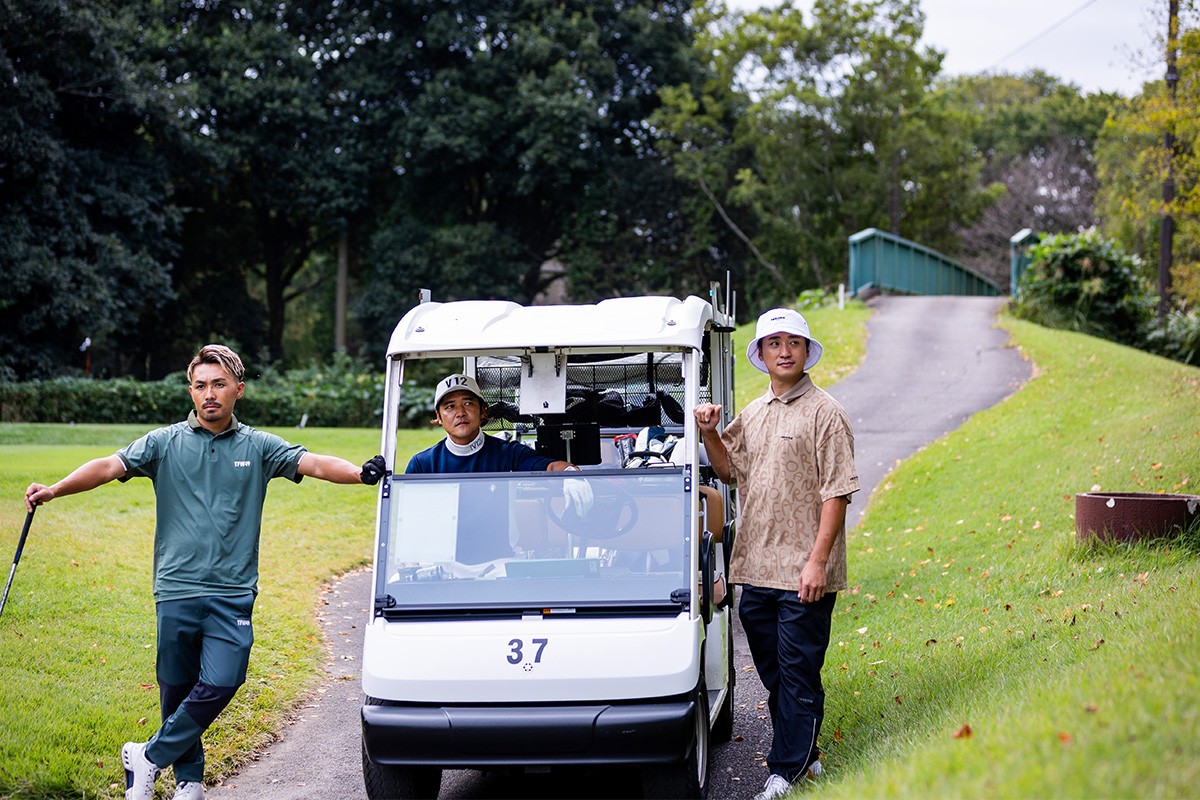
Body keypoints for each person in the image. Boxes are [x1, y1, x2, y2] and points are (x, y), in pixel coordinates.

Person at [22, 344, 387, 800]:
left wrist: (361, 473)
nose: (209, 394)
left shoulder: (258, 446)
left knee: (223, 681)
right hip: (175, 587)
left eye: (218, 384)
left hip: (232, 591)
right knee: (176, 688)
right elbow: (106, 466)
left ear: (238, 389)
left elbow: (312, 463)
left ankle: (148, 756)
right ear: (191, 391)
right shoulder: (164, 442)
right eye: (200, 386)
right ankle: (188, 782)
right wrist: (54, 490)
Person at [694, 308, 859, 800]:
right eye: (774, 343)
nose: (784, 351)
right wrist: (708, 433)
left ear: (807, 352)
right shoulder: (757, 410)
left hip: (804, 573)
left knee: (798, 671)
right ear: (762, 354)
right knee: (778, 674)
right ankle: (808, 757)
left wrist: (817, 562)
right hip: (756, 568)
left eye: (793, 342)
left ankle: (783, 772)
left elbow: (838, 493)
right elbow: (728, 472)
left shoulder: (826, 413)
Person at [406, 374, 592, 562]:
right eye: (450, 406)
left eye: (468, 403)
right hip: (442, 565)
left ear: (483, 410)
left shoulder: (507, 453)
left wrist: (570, 474)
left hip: (500, 565)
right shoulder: (423, 464)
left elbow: (550, 466)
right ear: (438, 417)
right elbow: (410, 524)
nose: (460, 412)